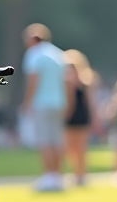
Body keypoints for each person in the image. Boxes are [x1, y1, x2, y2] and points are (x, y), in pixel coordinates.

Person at [21, 23, 67, 191]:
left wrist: (26, 102)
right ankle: (57, 176)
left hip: (41, 102)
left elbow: (33, 80)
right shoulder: (58, 54)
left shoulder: (34, 54)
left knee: (45, 140)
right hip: (58, 102)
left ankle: (49, 175)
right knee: (56, 140)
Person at [63, 49, 97, 186]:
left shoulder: (84, 82)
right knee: (71, 148)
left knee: (80, 148)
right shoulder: (66, 82)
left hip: (79, 115)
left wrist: (94, 118)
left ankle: (81, 175)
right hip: (73, 115)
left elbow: (89, 102)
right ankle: (77, 173)